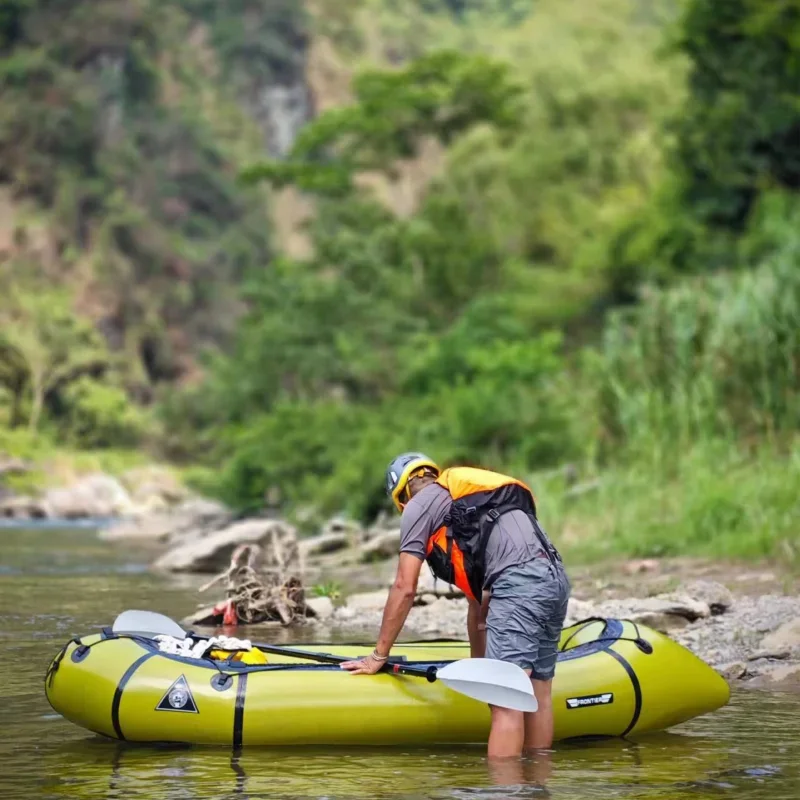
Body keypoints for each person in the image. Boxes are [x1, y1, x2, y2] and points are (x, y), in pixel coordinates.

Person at [340, 452, 571, 759]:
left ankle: (505, 793)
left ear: (401, 497)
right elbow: (478, 609)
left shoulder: (419, 506)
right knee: (537, 693)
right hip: (554, 579)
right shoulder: (466, 504)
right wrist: (482, 670)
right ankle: (536, 785)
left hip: (518, 585)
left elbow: (404, 588)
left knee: (508, 702)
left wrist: (377, 655)